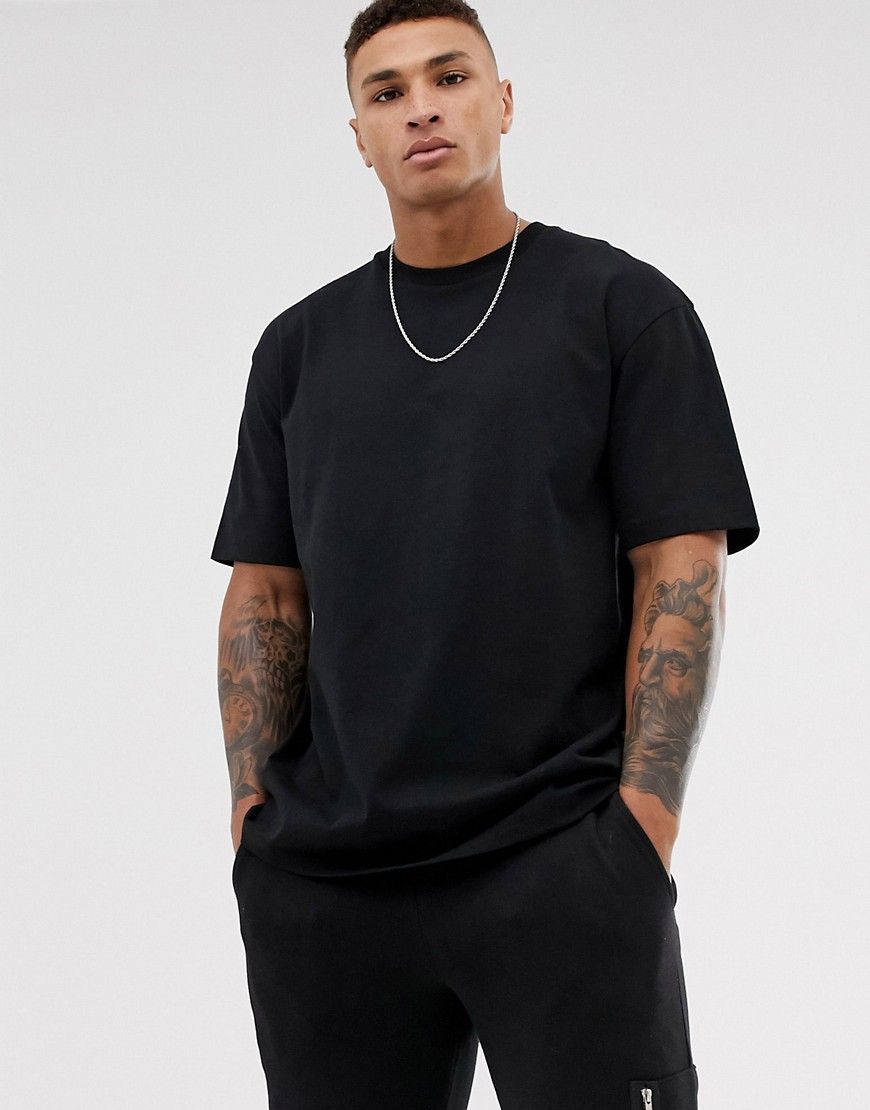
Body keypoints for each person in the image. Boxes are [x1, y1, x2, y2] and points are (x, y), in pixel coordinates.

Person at [210, 2, 760, 1107]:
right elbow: (266, 590)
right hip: (330, 886)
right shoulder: (299, 348)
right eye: (387, 92)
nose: (421, 108)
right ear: (359, 136)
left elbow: (681, 566)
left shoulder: (624, 310)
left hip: (560, 860)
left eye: (450, 77)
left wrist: (641, 827)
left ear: (503, 103)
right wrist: (252, 821)